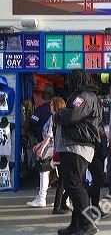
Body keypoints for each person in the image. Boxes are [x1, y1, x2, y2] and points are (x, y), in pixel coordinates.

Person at [54, 70, 101, 235]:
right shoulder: (86, 96)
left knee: (73, 184)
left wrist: (58, 113)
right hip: (76, 146)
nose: (68, 83)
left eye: (71, 80)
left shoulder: (84, 96)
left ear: (77, 80)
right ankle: (76, 225)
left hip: (77, 146)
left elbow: (71, 115)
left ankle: (88, 223)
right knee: (74, 184)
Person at [26, 91, 53, 208]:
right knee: (60, 172)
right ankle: (64, 199)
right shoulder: (60, 115)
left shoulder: (41, 109)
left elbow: (33, 120)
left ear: (42, 99)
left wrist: (41, 147)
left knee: (43, 170)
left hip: (46, 145)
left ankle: (42, 197)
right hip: (54, 146)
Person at [50, 97, 71, 215]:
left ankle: (61, 203)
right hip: (61, 151)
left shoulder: (57, 118)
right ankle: (58, 205)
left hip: (59, 150)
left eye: (52, 103)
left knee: (66, 180)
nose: (50, 105)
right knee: (64, 180)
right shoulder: (57, 118)